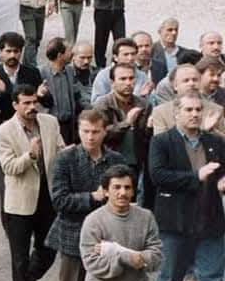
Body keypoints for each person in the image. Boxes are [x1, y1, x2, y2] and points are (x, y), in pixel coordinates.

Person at [45, 110, 126, 281]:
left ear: (105, 132)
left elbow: (125, 196)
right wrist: (92, 198)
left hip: (107, 237)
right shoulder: (65, 159)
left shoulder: (115, 161)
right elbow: (59, 200)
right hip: (73, 235)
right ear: (79, 131)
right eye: (85, 131)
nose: (90, 137)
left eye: (96, 132)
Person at [150, 90, 225, 281]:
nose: (194, 114)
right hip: (175, 219)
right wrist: (196, 176)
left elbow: (222, 171)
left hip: (209, 216)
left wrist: (222, 180)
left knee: (212, 274)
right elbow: (158, 176)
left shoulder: (214, 141)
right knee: (171, 272)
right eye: (189, 110)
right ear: (177, 113)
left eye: (198, 110)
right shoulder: (162, 142)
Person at [0, 84, 64, 281]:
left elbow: (61, 149)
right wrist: (31, 155)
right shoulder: (3, 132)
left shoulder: (50, 123)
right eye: (26, 103)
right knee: (20, 255)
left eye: (34, 101)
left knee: (49, 249)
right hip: (20, 202)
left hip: (47, 198)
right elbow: (9, 167)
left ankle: (27, 279)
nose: (32, 107)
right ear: (15, 105)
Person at [80, 164, 163, 281]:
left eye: (127, 187)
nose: (122, 193)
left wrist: (114, 251)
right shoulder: (93, 221)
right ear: (106, 191)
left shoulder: (146, 217)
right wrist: (128, 256)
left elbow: (156, 255)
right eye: (116, 187)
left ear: (134, 190)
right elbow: (92, 263)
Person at [0, 32, 49, 223]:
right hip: (3, 136)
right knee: (7, 183)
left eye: (16, 51)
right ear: (0, 52)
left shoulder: (31, 73)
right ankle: (10, 224)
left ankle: (35, 220)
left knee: (34, 179)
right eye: (8, 51)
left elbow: (43, 100)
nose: (12, 55)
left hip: (31, 134)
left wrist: (42, 95)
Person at [94, 63, 152, 195]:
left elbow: (146, 137)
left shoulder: (144, 104)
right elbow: (101, 134)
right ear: (112, 82)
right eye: (123, 79)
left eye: (131, 79)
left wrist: (149, 128)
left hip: (135, 163)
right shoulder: (103, 104)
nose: (128, 83)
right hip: (109, 163)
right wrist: (126, 123)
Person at [41, 37, 82, 145]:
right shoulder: (41, 73)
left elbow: (77, 95)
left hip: (70, 125)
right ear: (60, 55)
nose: (72, 53)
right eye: (68, 50)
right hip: (51, 127)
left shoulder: (69, 71)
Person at [150, 18, 190, 85]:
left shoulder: (185, 53)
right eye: (170, 30)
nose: (174, 33)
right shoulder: (152, 50)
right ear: (160, 31)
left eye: (176, 30)